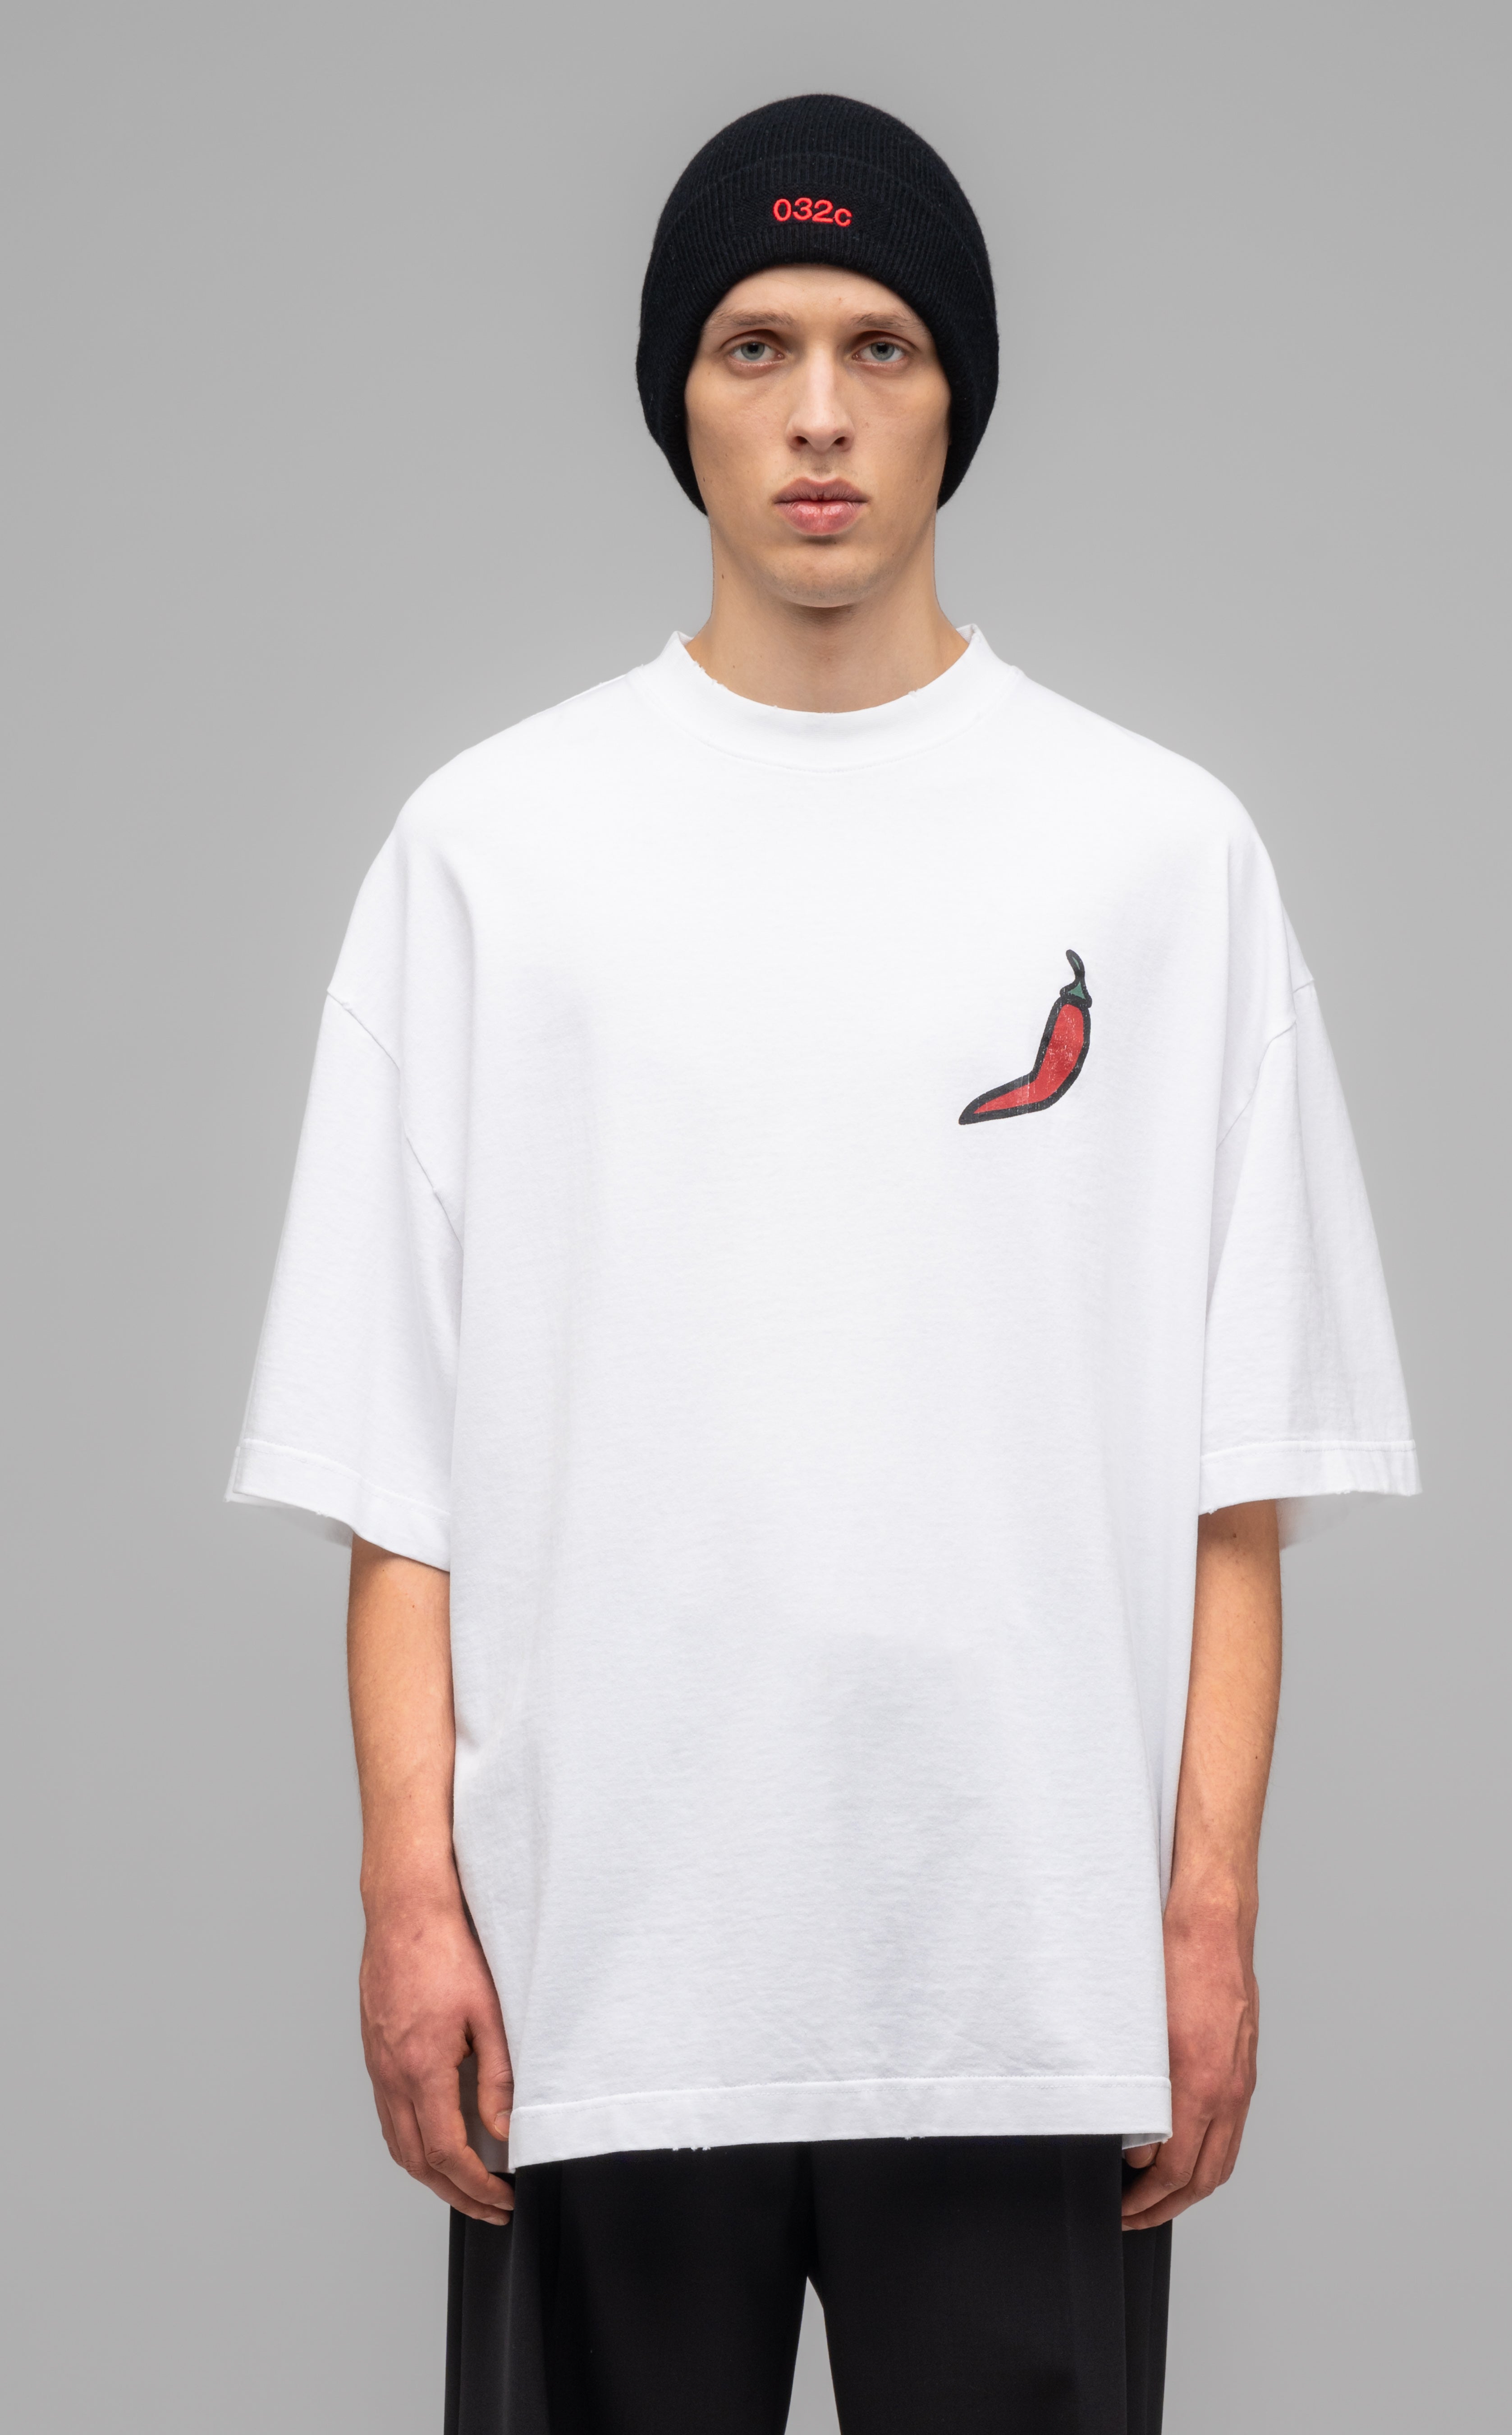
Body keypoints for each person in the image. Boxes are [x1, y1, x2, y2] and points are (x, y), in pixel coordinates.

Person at [230, 93, 1416, 2435]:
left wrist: (1204, 1920)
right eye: (754, 345)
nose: (817, 415)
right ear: (677, 393)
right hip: (601, 1979)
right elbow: (396, 1472)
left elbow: (1239, 1482)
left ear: (958, 394)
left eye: (882, 345)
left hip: (1019, 1976)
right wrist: (409, 1901)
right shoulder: (492, 853)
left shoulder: (1161, 856)